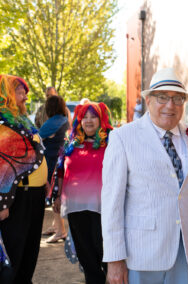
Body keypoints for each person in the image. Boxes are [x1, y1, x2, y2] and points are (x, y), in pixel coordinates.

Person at [102, 68, 188, 284]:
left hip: (185, 253)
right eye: (162, 97)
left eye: (178, 99)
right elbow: (112, 204)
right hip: (140, 254)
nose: (170, 105)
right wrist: (114, 259)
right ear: (148, 100)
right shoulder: (123, 137)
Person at [52, 102, 113, 284]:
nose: (88, 121)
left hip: (103, 208)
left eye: (93, 116)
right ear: (79, 120)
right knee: (86, 254)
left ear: (101, 119)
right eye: (84, 116)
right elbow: (61, 170)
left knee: (104, 252)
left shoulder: (111, 143)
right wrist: (57, 195)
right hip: (75, 208)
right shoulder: (70, 144)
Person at [0, 74, 48, 283]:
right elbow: (2, 166)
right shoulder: (3, 123)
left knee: (29, 252)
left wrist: (44, 180)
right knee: (15, 254)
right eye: (20, 93)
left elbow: (34, 154)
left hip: (34, 195)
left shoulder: (21, 120)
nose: (25, 98)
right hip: (17, 198)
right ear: (8, 94)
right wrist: (2, 203)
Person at [39, 95, 69, 243]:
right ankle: (55, 225)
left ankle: (60, 231)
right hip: (60, 160)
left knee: (53, 194)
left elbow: (37, 138)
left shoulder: (52, 122)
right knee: (55, 194)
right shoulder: (64, 120)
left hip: (51, 162)